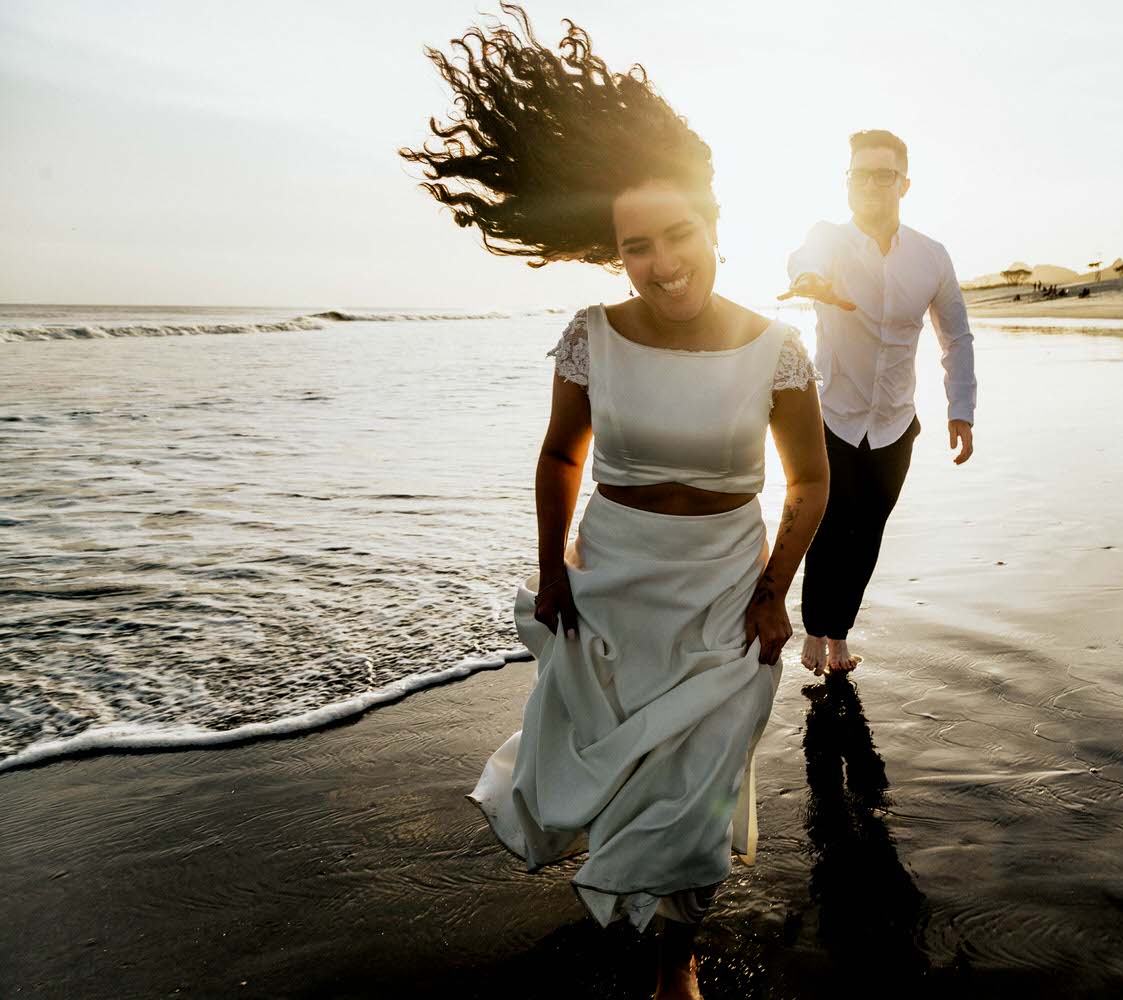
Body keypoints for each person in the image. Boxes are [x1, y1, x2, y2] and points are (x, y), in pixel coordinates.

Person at [399, 7, 829, 998]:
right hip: (614, 587)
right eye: (637, 244)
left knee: (698, 790)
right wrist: (555, 573)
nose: (663, 260)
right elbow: (560, 452)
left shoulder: (778, 349)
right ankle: (637, 923)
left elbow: (809, 481)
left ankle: (676, 960)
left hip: (727, 593)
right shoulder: (592, 334)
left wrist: (773, 592)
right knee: (625, 777)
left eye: (679, 233)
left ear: (716, 223)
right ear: (616, 251)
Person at [779, 129, 977, 676]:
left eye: (882, 174)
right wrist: (808, 279)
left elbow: (955, 337)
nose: (869, 183)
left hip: (895, 424)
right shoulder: (828, 238)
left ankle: (839, 634)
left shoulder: (931, 257)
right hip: (832, 416)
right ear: (847, 181)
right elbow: (804, 258)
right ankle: (815, 630)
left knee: (867, 535)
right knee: (826, 525)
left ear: (904, 183)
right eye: (858, 173)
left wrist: (959, 409)